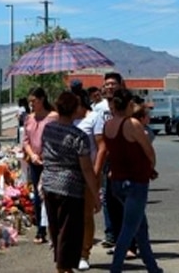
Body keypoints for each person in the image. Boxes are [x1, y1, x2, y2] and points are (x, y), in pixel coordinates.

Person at [39, 90, 101, 273]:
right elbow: (86, 168)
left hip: (49, 183)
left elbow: (45, 154)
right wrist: (96, 195)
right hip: (70, 187)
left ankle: (62, 266)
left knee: (56, 229)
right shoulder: (78, 136)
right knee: (69, 232)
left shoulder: (48, 129)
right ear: (75, 109)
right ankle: (63, 268)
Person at [103, 89, 162, 273]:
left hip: (118, 181)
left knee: (140, 226)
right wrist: (151, 167)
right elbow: (148, 150)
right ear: (129, 104)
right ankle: (116, 268)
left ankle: (152, 267)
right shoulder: (132, 124)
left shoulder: (108, 125)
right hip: (136, 181)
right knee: (129, 228)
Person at [93, 72, 126, 248]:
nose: (110, 87)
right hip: (106, 157)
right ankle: (111, 233)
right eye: (107, 84)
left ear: (120, 85)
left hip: (125, 158)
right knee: (107, 196)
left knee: (124, 197)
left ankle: (128, 236)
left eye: (113, 84)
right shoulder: (99, 108)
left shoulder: (128, 105)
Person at [71, 83, 99, 271]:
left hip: (87, 172)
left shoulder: (93, 118)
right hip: (69, 174)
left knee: (86, 215)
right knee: (71, 216)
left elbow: (101, 146)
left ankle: (84, 253)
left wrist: (95, 173)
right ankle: (72, 250)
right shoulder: (66, 120)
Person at [23, 87, 53, 244]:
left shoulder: (52, 117)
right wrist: (32, 155)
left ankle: (53, 227)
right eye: (30, 102)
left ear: (42, 100)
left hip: (49, 161)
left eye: (34, 101)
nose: (31, 104)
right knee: (37, 194)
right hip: (34, 161)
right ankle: (41, 230)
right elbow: (26, 140)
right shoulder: (29, 118)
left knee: (50, 194)